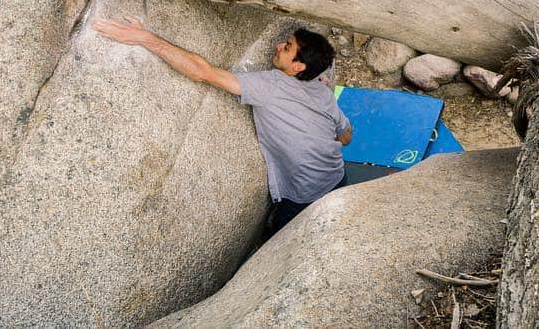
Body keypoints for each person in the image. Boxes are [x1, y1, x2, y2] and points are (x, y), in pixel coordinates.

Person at [94, 16, 353, 236]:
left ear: (298, 66)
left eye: (286, 47)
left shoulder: (268, 86)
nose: (278, 45)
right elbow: (346, 136)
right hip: (337, 177)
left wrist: (144, 38)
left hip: (303, 195)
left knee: (279, 243)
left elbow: (202, 72)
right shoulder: (321, 90)